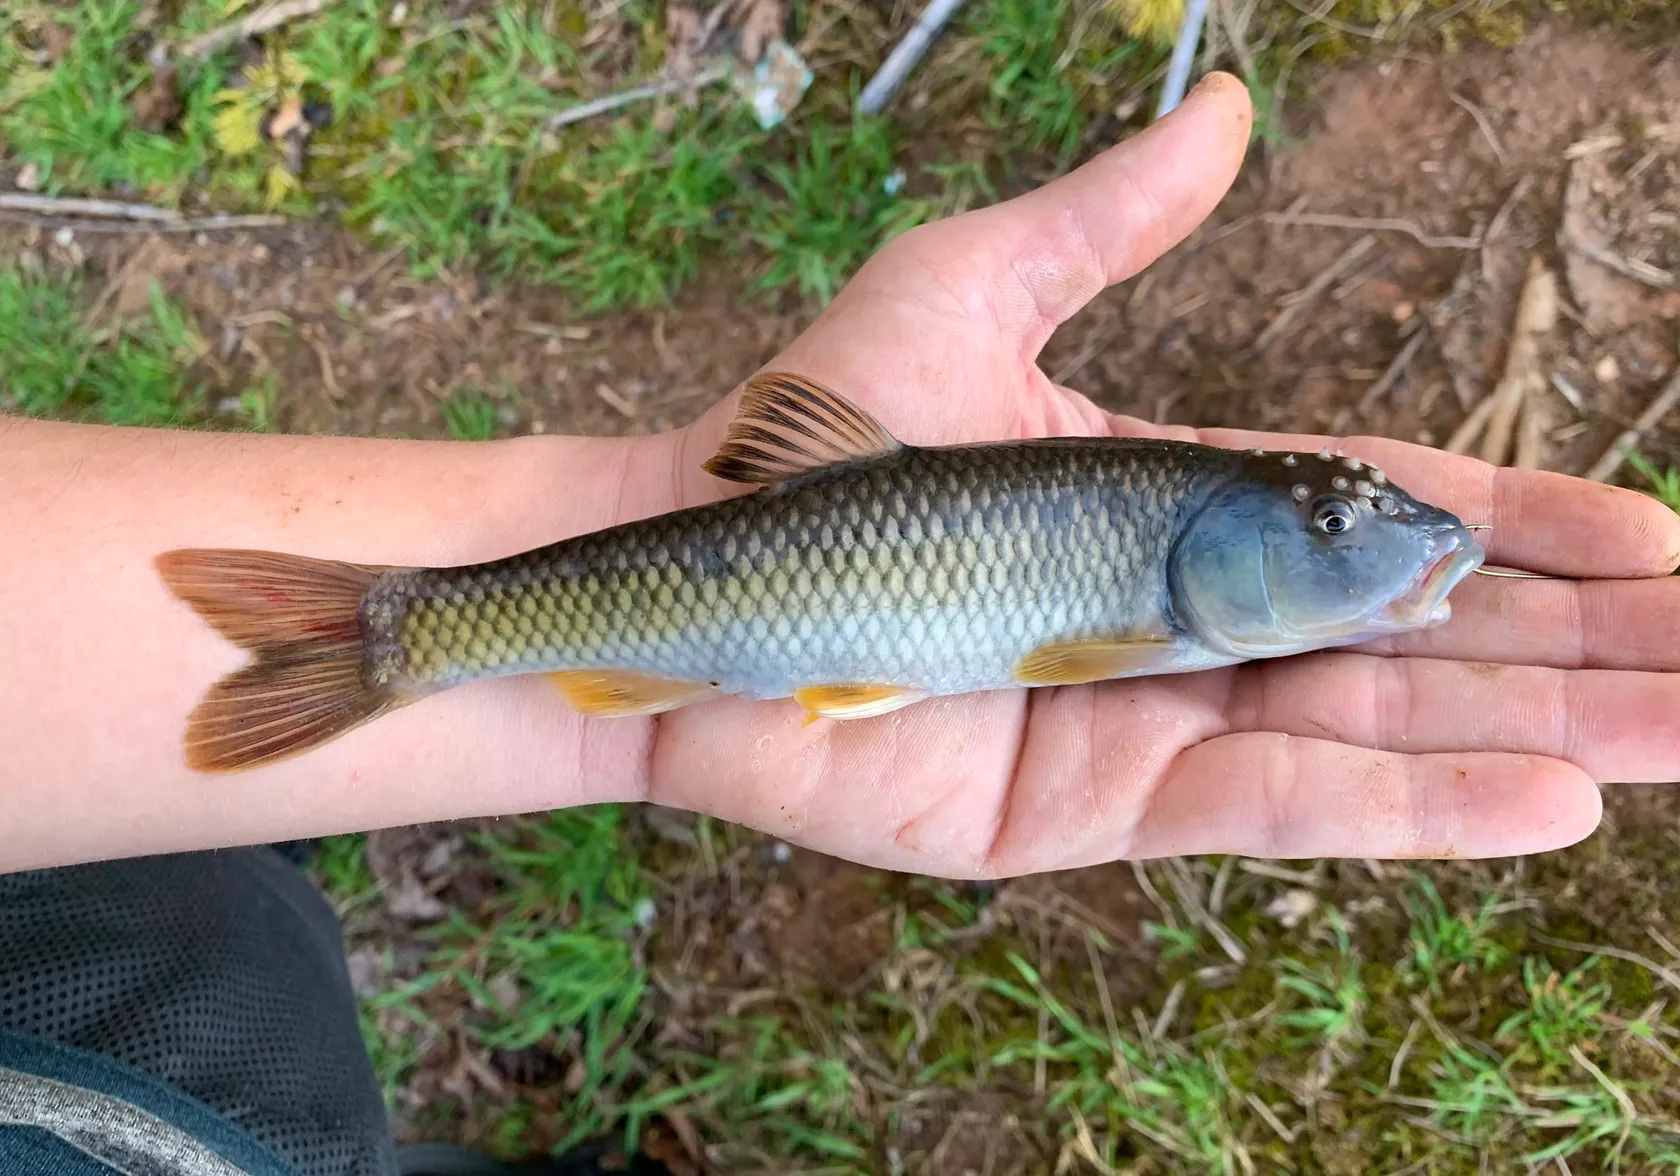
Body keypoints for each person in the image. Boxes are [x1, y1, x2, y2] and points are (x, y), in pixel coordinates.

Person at [0, 72, 1675, 1176]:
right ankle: (400, 641)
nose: (1368, 537)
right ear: (1235, 532)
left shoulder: (1173, 586)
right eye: (1329, 517)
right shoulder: (1151, 594)